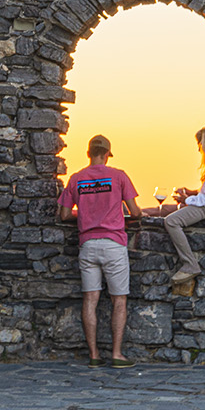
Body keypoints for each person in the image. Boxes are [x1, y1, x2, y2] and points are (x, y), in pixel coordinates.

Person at [57, 134, 142, 368]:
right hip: (113, 244)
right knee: (119, 301)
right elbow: (135, 213)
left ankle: (94, 354)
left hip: (87, 244)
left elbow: (64, 214)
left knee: (90, 299)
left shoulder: (76, 179)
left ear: (88, 153)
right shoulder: (119, 176)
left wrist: (84, 215)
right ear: (107, 154)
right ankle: (116, 354)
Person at [143, 125, 205, 284]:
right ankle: (140, 212)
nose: (199, 150)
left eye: (200, 145)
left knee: (171, 221)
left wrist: (186, 200)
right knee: (166, 209)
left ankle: (190, 264)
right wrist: (192, 193)